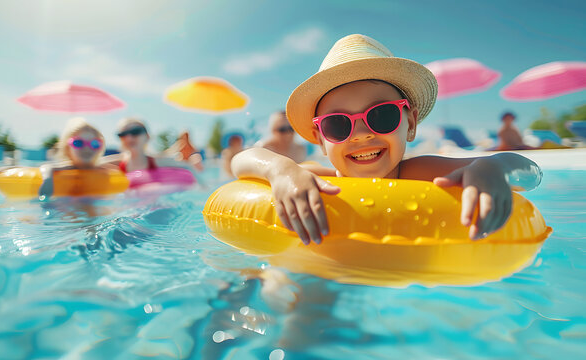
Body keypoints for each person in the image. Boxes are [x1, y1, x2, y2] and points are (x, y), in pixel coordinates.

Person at [231, 34, 542, 246]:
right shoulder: (315, 179)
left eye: (381, 116)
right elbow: (239, 162)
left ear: (410, 122)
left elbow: (530, 172)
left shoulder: (421, 172)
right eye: (338, 125)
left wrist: (495, 166)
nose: (363, 133)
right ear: (320, 139)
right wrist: (280, 170)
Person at [0, 117, 113, 197]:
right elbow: (47, 167)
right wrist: (47, 179)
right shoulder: (69, 167)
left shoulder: (101, 168)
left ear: (100, 147)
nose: (87, 148)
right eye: (78, 143)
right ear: (67, 147)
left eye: (94, 143)